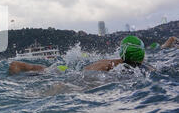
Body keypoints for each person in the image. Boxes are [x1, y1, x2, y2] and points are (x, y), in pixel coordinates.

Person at [9, 36, 149, 75]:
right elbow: (84, 75)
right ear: (142, 54)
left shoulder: (114, 64)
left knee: (48, 71)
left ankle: (22, 67)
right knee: (50, 75)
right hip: (70, 74)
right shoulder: (110, 65)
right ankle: (21, 66)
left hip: (70, 71)